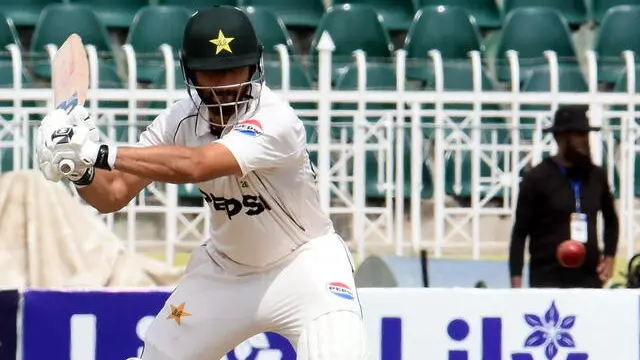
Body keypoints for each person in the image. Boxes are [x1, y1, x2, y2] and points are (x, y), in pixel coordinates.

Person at [35, 6, 366, 360]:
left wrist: (96, 151)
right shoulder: (178, 121)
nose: (225, 85)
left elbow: (197, 165)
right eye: (211, 73)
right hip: (225, 272)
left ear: (254, 67)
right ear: (190, 72)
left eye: (232, 70)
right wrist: (78, 168)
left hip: (305, 265)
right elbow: (113, 195)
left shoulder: (276, 119)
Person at [509, 105, 619, 289]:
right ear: (560, 137)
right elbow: (519, 233)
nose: (584, 141)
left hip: (589, 277)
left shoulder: (596, 176)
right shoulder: (537, 178)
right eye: (578, 135)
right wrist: (516, 285)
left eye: (586, 135)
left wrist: (609, 256)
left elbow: (611, 220)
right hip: (547, 278)